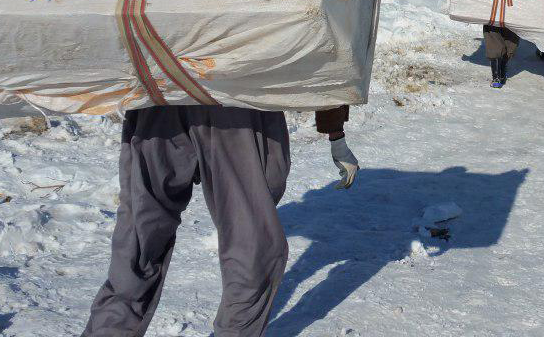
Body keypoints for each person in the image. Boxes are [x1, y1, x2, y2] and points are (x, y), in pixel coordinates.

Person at [82, 104, 357, 337]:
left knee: (249, 243)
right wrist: (335, 133)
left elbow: (326, 44)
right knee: (140, 242)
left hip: (231, 96)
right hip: (171, 98)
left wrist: (335, 128)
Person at [483, 0, 520, 89]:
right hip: (491, 13)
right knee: (494, 45)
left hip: (511, 14)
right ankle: (496, 76)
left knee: (510, 45)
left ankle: (503, 69)